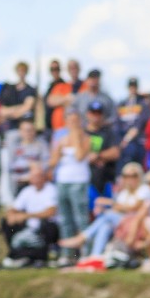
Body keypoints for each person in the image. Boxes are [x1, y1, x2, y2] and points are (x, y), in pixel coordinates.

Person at [51, 108, 93, 262]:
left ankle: (86, 252)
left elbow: (80, 156)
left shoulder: (87, 138)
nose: (72, 124)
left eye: (75, 121)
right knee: (65, 219)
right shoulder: (61, 139)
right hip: (62, 181)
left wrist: (75, 136)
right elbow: (53, 161)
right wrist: (59, 148)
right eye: (70, 121)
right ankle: (68, 253)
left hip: (79, 181)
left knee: (81, 218)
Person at [1, 162, 60, 267]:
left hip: (46, 228)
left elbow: (51, 212)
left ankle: (41, 255)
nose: (36, 179)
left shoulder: (51, 189)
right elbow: (14, 208)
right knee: (6, 222)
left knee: (48, 225)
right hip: (29, 227)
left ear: (44, 177)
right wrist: (11, 216)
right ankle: (17, 253)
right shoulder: (27, 191)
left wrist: (25, 216)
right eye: (34, 177)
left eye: (39, 176)